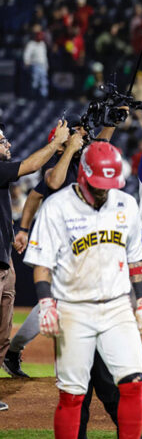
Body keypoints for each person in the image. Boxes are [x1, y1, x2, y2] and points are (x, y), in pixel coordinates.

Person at [24, 142, 142, 439]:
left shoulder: (125, 202)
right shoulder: (57, 207)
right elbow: (42, 264)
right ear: (83, 178)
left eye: (110, 186)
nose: (104, 193)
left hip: (116, 305)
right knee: (72, 394)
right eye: (99, 186)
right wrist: (48, 303)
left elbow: (137, 259)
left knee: (133, 384)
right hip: (73, 308)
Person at [0, 119, 69, 411]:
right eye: (2, 140)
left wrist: (20, 231)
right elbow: (29, 168)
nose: (8, 144)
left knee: (2, 332)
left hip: (4, 260)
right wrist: (56, 144)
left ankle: (10, 354)